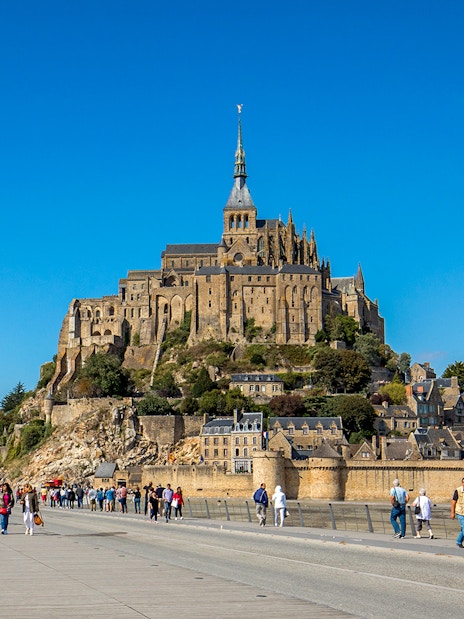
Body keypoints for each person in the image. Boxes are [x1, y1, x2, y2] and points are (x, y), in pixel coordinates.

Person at [450, 477, 464, 548]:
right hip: (460, 512)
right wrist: (452, 513)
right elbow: (453, 503)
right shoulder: (457, 491)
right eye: (463, 482)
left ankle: (459, 541)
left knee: (463, 528)